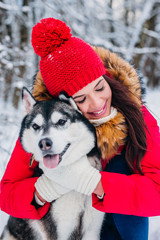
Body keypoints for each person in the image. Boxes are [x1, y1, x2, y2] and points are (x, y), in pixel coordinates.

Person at [1, 18, 160, 240]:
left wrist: (96, 182)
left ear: (107, 78)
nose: (97, 103)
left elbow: (157, 191)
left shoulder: (136, 117)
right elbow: (7, 192)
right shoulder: (44, 124)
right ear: (66, 104)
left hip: (119, 226)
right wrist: (42, 190)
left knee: (119, 166)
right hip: (62, 228)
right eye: (82, 98)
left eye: (100, 87)